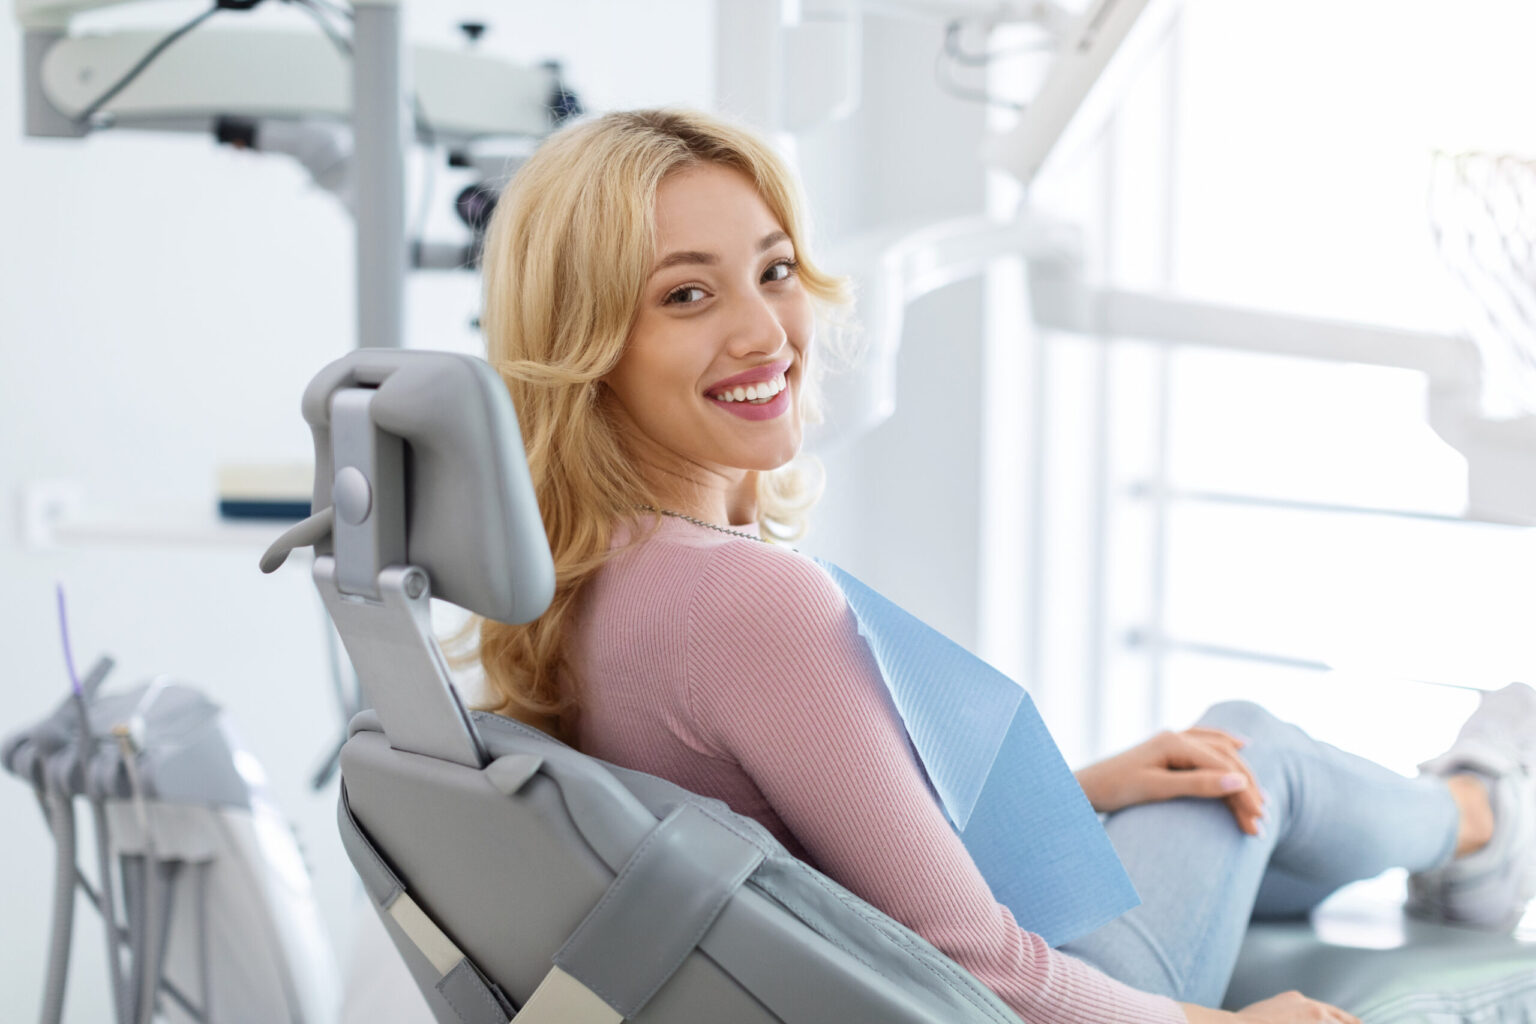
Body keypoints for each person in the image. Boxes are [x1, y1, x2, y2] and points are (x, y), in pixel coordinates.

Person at [470, 107, 1536, 1024]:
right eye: (687, 296)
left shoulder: (582, 574)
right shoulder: (746, 598)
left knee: (1213, 773)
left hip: (865, 966)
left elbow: (802, 844)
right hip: (1035, 990)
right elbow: (982, 966)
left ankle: (1449, 834)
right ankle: (1481, 821)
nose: (767, 331)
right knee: (1254, 750)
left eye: (775, 270)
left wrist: (1085, 791)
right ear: (589, 341)